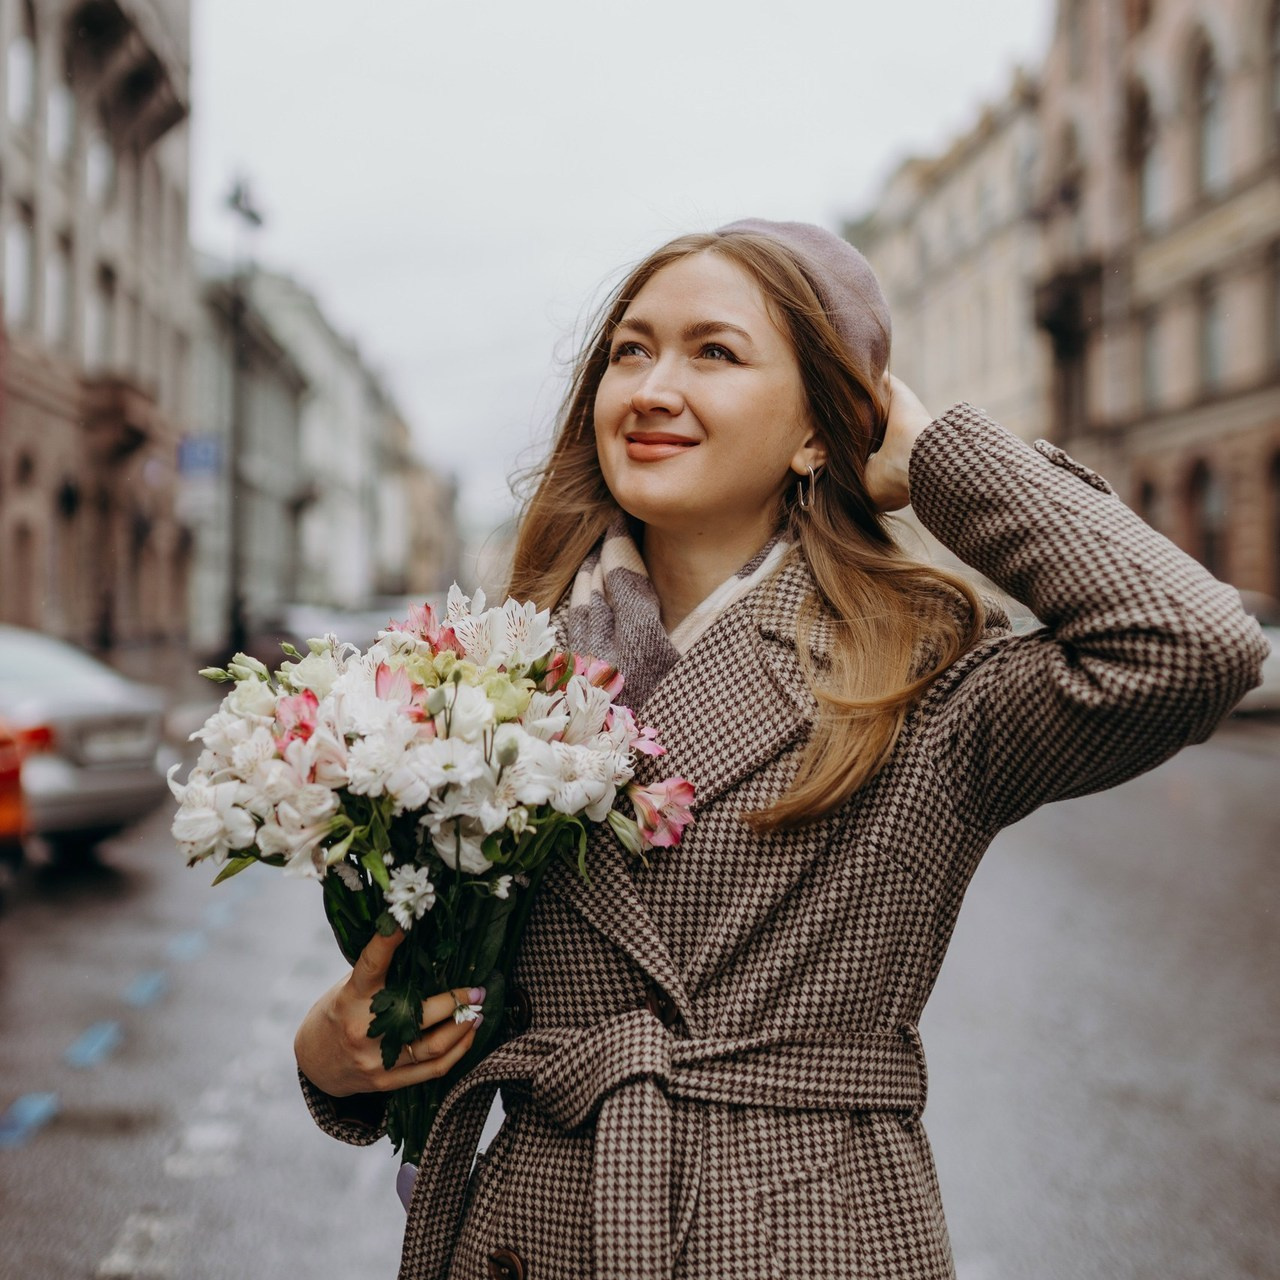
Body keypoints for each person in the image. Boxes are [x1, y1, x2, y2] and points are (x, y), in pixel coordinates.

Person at [293, 219, 1267, 1280]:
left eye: (714, 352)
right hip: (535, 1223)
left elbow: (1189, 642)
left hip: (799, 1226)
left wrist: (935, 455)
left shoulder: (916, 672)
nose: (653, 387)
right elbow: (459, 1001)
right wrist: (337, 1057)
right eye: (631, 349)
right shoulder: (496, 672)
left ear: (821, 428)